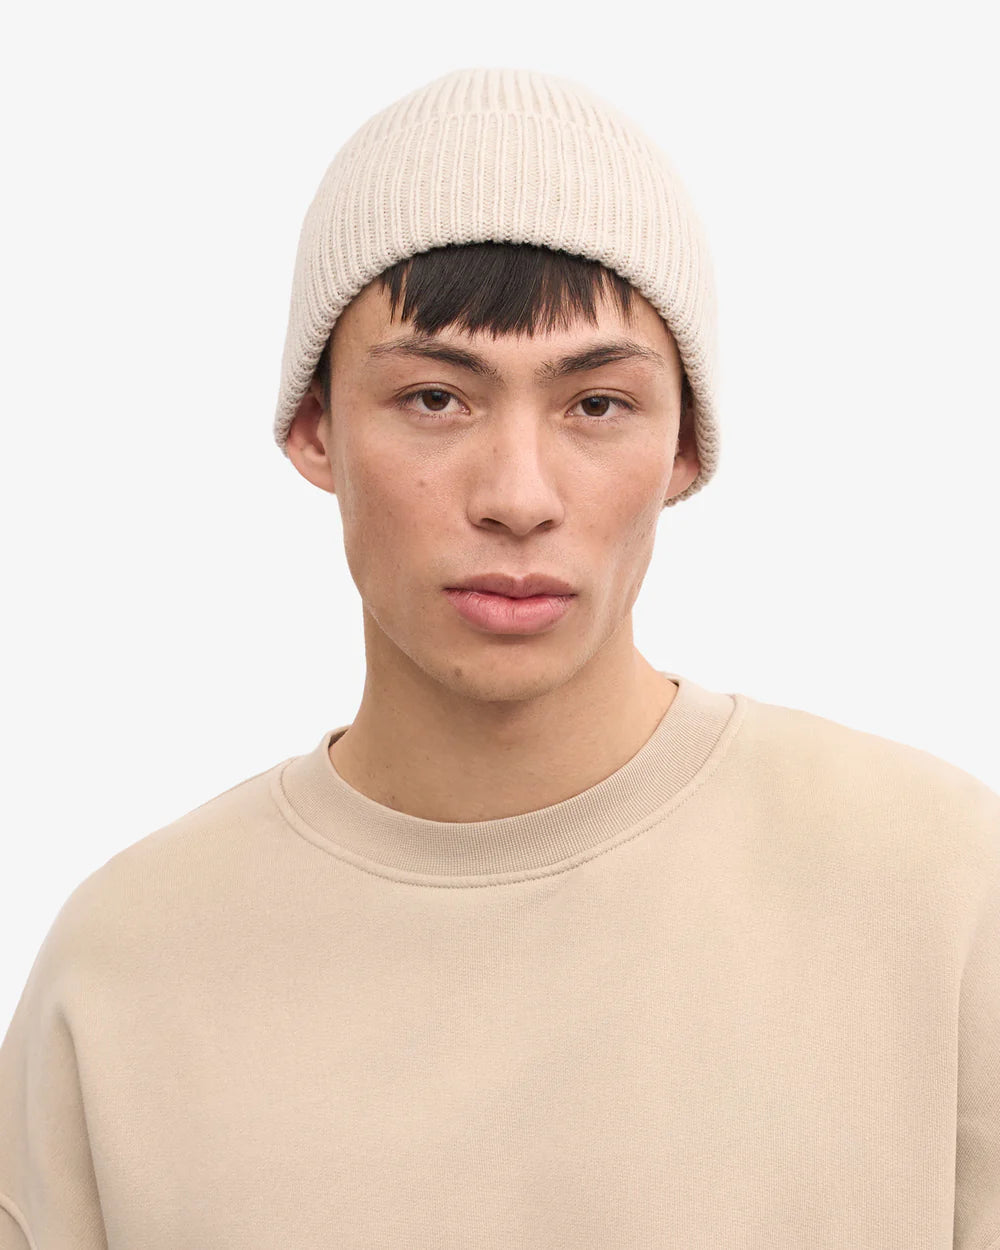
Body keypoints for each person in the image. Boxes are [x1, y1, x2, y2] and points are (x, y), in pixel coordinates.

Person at [1, 66, 997, 1250]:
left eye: (596, 405)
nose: (518, 496)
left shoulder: (941, 888)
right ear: (315, 428)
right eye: (434, 397)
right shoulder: (123, 967)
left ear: (686, 447)